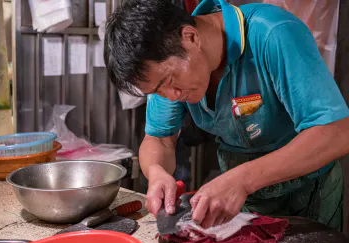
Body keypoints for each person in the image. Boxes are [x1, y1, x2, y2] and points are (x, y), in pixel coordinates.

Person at [104, 0, 349, 230]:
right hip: (245, 195)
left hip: (308, 193)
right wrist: (157, 172)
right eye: (158, 91)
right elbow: (158, 138)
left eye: (168, 82)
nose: (171, 96)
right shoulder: (164, 69)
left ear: (190, 37)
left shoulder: (273, 34)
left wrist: (242, 180)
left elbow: (337, 132)